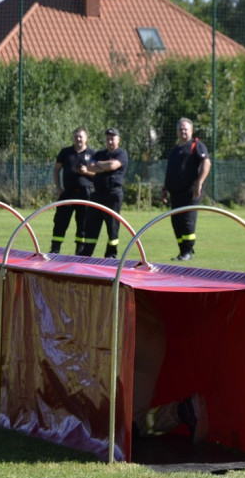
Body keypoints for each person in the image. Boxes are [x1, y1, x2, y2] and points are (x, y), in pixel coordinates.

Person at [131, 294, 209, 443]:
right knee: (133, 421)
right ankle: (183, 411)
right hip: (154, 328)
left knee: (112, 421)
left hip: (122, 322)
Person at [162, 117, 210, 261]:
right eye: (180, 129)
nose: (183, 131)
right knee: (176, 222)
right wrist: (165, 188)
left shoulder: (196, 145)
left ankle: (188, 251)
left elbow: (206, 163)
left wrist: (199, 183)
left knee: (187, 222)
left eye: (186, 129)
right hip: (175, 193)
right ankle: (183, 251)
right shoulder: (175, 149)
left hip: (190, 193)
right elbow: (170, 171)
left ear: (191, 130)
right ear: (177, 131)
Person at [50, 127, 99, 256]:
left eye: (80, 136)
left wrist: (86, 172)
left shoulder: (93, 154)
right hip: (68, 193)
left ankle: (80, 252)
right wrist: (58, 188)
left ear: (86, 138)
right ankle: (55, 249)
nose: (78, 139)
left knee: (83, 224)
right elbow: (56, 170)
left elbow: (98, 173)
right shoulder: (66, 152)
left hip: (85, 193)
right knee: (60, 221)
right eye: (76, 136)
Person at [88, 128, 129, 258]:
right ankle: (86, 253)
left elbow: (112, 166)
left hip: (113, 195)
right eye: (108, 138)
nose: (110, 141)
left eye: (112, 138)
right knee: (91, 224)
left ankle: (111, 254)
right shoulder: (100, 153)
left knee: (112, 226)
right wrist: (104, 165)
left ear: (118, 139)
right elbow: (89, 167)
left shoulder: (121, 153)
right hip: (97, 194)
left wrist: (99, 165)